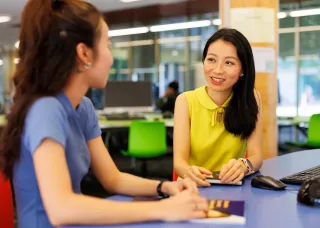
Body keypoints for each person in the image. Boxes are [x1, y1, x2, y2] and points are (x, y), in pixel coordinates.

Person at [0, 1, 208, 227]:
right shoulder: (46, 109)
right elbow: (62, 209)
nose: (110, 57)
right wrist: (163, 208)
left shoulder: (84, 107)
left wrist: (164, 187)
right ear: (84, 53)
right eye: (108, 45)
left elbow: (112, 179)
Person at [173, 28, 263, 187]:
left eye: (229, 62)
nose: (218, 70)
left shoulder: (251, 98)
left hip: (232, 187)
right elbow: (179, 163)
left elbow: (256, 156)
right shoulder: (185, 101)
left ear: (243, 69)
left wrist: (244, 165)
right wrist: (188, 171)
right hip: (193, 188)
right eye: (211, 60)